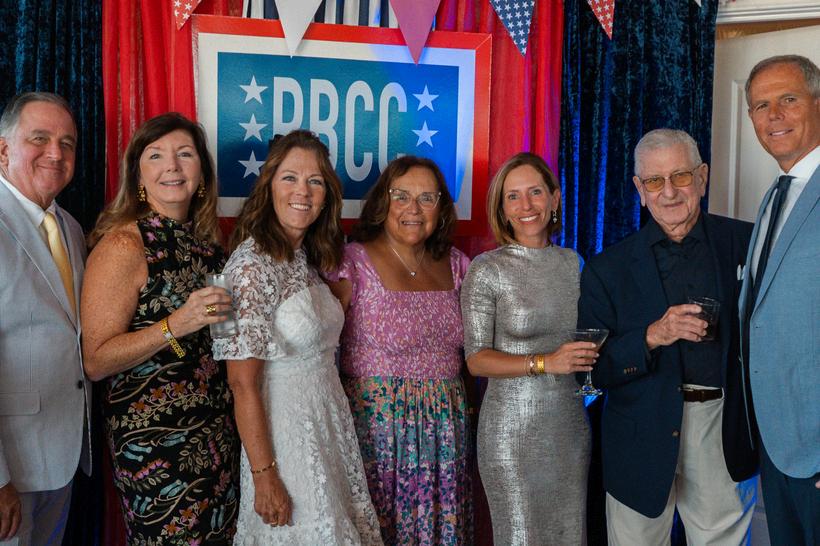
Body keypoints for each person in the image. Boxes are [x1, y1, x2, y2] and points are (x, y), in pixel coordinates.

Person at [578, 129, 758, 544]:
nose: (670, 192)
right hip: (638, 434)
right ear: (640, 190)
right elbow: (592, 373)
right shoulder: (607, 268)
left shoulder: (748, 242)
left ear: (702, 177)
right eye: (655, 181)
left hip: (723, 427)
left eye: (681, 176)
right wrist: (652, 336)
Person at [212, 130, 382, 545]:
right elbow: (240, 382)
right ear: (268, 185)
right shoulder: (245, 268)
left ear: (327, 196)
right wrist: (265, 475)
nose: (302, 191)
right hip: (285, 438)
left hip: (327, 424)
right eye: (289, 178)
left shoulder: (305, 258)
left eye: (315, 181)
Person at [81, 113, 240, 544]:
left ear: (201, 172)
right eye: (156, 155)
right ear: (138, 175)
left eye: (185, 154)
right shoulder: (124, 244)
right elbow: (95, 360)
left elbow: (221, 345)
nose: (172, 166)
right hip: (156, 447)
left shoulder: (211, 249)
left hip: (217, 436)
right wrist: (175, 325)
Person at [325, 156, 473, 545]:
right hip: (378, 436)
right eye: (401, 195)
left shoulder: (458, 266)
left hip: (445, 434)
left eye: (427, 198)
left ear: (441, 208)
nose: (413, 208)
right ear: (382, 202)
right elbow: (318, 347)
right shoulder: (352, 263)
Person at [460, 152, 594, 545]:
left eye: (535, 192)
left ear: (554, 198)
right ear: (502, 209)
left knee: (569, 535)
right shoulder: (487, 269)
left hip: (569, 427)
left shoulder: (573, 263)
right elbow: (476, 360)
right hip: (510, 433)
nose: (526, 205)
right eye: (513, 196)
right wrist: (545, 362)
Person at [0, 92, 90, 545]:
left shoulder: (70, 227)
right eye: (39, 139)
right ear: (3, 150)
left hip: (60, 454)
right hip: (9, 470)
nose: (56, 153)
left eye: (67, 143)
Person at [741, 54, 819, 545]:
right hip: (776, 444)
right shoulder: (776, 194)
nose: (774, 116)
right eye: (760, 106)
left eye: (788, 99)